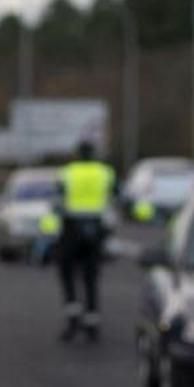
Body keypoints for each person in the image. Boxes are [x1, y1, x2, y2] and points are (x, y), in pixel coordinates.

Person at [55, 142, 116, 342]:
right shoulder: (105, 172)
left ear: (77, 155)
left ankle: (73, 317)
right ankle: (92, 323)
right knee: (91, 277)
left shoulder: (68, 172)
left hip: (71, 229)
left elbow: (57, 201)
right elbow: (116, 196)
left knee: (67, 274)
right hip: (96, 230)